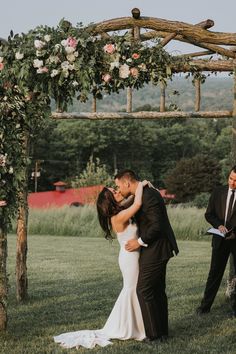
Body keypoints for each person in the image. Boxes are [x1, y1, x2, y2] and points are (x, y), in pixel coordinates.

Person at [54, 181, 146, 349]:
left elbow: (131, 198)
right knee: (132, 289)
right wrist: (141, 184)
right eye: (114, 192)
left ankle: (135, 326)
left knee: (133, 289)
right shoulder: (118, 217)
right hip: (129, 257)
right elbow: (138, 202)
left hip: (132, 255)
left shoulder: (119, 211)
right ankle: (134, 328)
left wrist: (135, 189)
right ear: (111, 200)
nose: (118, 191)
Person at [115, 170, 179, 343]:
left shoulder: (149, 195)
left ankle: (154, 336)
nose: (118, 189)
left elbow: (157, 225)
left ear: (127, 183)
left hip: (156, 248)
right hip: (157, 248)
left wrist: (139, 241)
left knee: (144, 289)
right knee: (157, 290)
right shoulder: (145, 193)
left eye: (118, 185)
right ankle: (162, 332)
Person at [196, 166, 236, 317]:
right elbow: (209, 214)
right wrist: (218, 225)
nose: (232, 183)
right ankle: (204, 307)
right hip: (219, 239)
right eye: (231, 178)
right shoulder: (218, 192)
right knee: (214, 274)